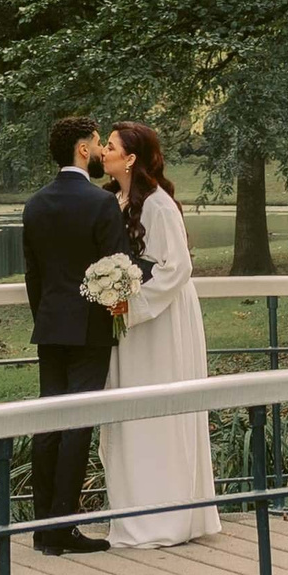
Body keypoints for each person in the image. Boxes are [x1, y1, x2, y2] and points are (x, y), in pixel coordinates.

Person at [94, 121, 222, 548]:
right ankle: (135, 513)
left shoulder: (159, 205)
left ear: (130, 158)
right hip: (132, 317)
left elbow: (177, 267)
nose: (103, 151)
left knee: (160, 407)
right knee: (129, 410)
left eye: (111, 146)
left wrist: (131, 305)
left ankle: (168, 519)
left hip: (162, 317)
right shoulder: (116, 200)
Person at [20, 115, 139, 555]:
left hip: (50, 326)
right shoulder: (100, 203)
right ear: (83, 150)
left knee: (48, 422)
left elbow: (33, 275)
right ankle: (64, 527)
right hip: (90, 328)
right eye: (97, 141)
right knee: (77, 425)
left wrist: (47, 315)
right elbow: (119, 265)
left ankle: (42, 529)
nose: (101, 149)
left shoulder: (35, 205)